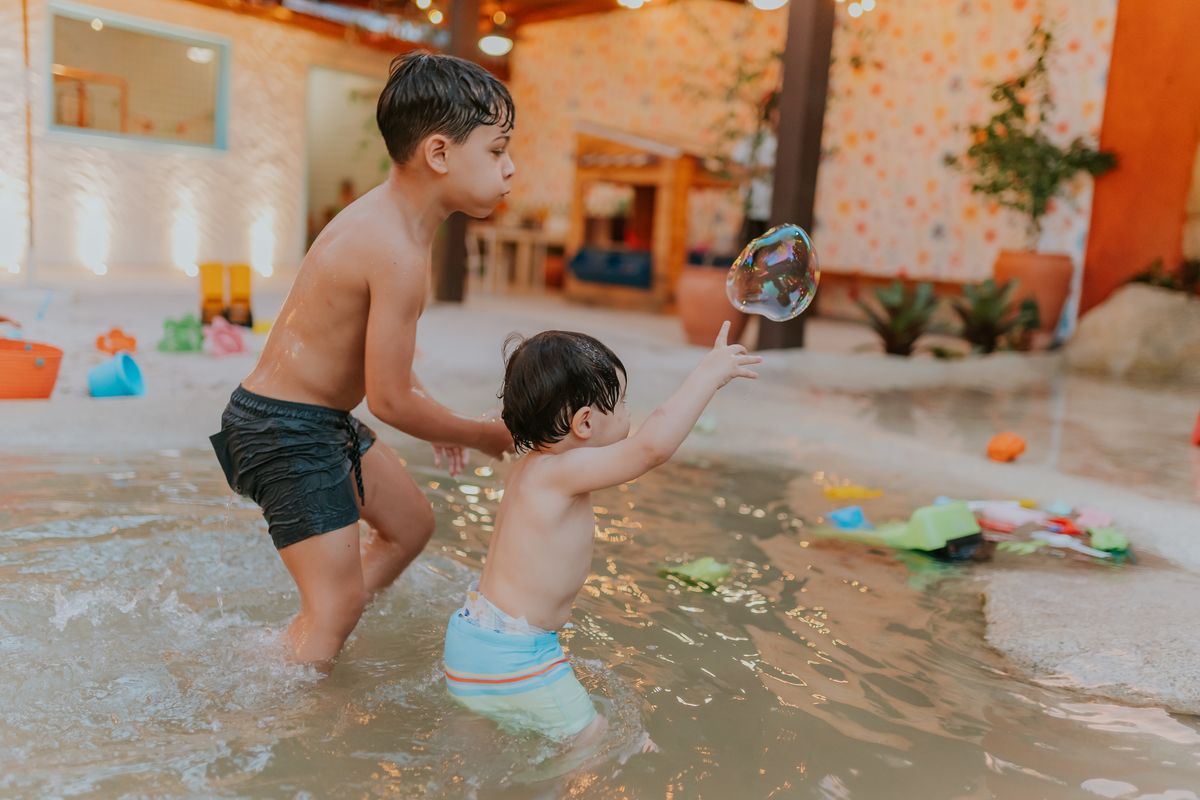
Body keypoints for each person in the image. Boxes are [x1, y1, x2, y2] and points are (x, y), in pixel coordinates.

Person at [210, 51, 516, 665]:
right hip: (281, 428)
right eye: (497, 150)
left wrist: (437, 413)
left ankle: (315, 631)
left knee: (410, 527)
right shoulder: (395, 249)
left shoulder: (392, 224)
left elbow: (385, 364)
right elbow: (390, 400)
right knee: (337, 606)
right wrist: (482, 434)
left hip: (309, 419)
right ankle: (290, 668)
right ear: (438, 154)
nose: (510, 169)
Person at [442, 322, 761, 749]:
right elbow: (651, 448)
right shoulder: (563, 472)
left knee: (477, 752)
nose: (630, 413)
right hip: (516, 656)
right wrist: (708, 375)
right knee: (593, 741)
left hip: (470, 641)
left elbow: (501, 418)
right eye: (623, 403)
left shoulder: (531, 464)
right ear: (585, 423)